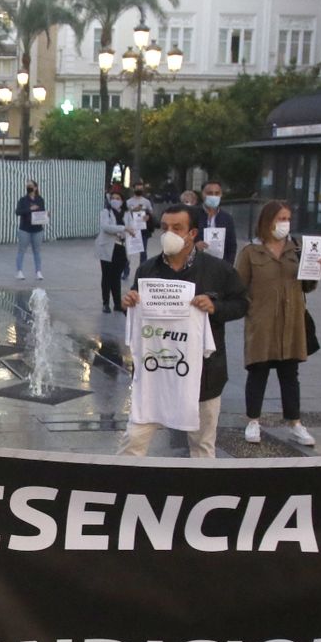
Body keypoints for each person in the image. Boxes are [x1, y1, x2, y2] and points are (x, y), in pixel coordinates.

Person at [118, 204, 248, 458]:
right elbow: (137, 312)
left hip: (203, 375)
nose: (169, 233)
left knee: (202, 444)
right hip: (154, 377)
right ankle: (122, 487)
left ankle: (202, 492)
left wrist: (215, 307)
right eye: (165, 228)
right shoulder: (148, 270)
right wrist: (128, 304)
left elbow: (242, 304)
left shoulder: (217, 270)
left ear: (193, 234)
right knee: (133, 440)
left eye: (177, 228)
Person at [237, 201, 321, 447]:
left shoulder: (296, 250)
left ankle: (295, 422)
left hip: (291, 323)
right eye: (280, 218)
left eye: (288, 218)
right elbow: (238, 286)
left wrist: (315, 271)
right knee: (258, 372)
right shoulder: (251, 253)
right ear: (267, 221)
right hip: (262, 324)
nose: (285, 223)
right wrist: (249, 309)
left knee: (290, 375)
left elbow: (307, 286)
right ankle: (253, 421)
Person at [95, 185, 137, 313]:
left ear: (122, 200)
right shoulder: (105, 212)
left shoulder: (126, 213)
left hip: (121, 247)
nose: (115, 200)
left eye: (118, 198)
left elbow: (132, 227)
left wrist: (128, 230)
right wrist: (122, 228)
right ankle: (105, 303)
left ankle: (117, 303)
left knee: (116, 276)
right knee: (107, 276)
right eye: (113, 198)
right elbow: (106, 227)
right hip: (107, 248)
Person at [196, 180, 239, 263]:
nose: (213, 196)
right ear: (202, 194)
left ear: (221, 195)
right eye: (209, 193)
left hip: (219, 266)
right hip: (196, 265)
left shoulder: (227, 218)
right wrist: (194, 247)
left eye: (217, 193)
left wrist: (227, 268)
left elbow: (231, 246)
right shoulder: (192, 215)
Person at [14, 179, 47, 280]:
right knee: (21, 250)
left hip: (37, 229)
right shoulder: (23, 200)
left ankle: (38, 272)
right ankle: (19, 271)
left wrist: (46, 215)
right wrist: (30, 209)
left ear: (35, 188)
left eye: (31, 186)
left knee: (37, 251)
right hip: (25, 229)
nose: (29, 187)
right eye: (27, 186)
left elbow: (41, 212)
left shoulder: (40, 199)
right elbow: (18, 212)